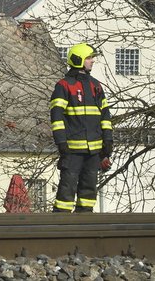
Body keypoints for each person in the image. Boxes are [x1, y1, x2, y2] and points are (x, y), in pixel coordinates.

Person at [49, 43, 113, 213]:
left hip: (94, 151)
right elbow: (56, 117)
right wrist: (61, 143)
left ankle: (85, 224)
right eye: (89, 58)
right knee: (66, 190)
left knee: (89, 190)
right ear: (78, 60)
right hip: (72, 149)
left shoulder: (96, 85)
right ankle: (60, 227)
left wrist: (107, 141)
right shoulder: (63, 86)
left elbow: (105, 116)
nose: (92, 61)